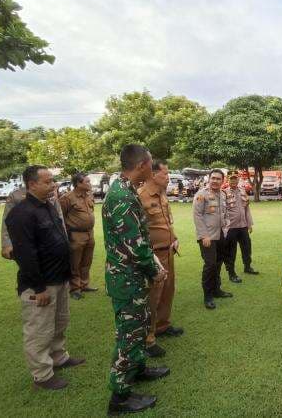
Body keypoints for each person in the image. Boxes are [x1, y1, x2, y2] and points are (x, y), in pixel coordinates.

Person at [5, 165, 85, 391]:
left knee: (59, 322)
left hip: (59, 278)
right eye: (48, 182)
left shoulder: (48, 206)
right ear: (32, 185)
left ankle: (59, 357)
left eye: (53, 181)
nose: (53, 185)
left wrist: (69, 275)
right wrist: (38, 288)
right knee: (39, 330)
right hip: (40, 284)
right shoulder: (21, 214)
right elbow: (25, 254)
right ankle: (42, 375)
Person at [103, 145, 169, 414]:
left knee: (140, 325)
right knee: (128, 335)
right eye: (150, 164)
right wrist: (155, 270)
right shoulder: (122, 196)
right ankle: (119, 397)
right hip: (126, 277)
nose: (152, 169)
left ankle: (138, 368)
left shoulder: (125, 189)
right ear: (141, 165)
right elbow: (135, 244)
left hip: (130, 275)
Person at [138, 160, 184, 359]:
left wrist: (173, 237)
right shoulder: (140, 197)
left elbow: (166, 221)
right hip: (153, 255)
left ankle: (162, 326)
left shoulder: (163, 195)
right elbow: (138, 231)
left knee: (167, 290)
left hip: (168, 251)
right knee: (153, 295)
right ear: (152, 175)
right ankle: (148, 338)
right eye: (165, 174)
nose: (168, 178)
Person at [193, 169, 232, 310]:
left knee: (218, 263)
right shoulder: (201, 195)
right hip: (207, 237)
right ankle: (208, 296)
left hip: (220, 235)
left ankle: (217, 289)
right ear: (209, 179)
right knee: (210, 265)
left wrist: (226, 228)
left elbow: (225, 213)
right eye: (213, 178)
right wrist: (204, 235)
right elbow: (197, 216)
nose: (215, 181)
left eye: (218, 179)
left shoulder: (222, 194)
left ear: (223, 181)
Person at [1, 184, 65, 260]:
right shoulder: (16, 195)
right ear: (32, 182)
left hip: (50, 240)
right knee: (30, 267)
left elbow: (59, 217)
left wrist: (64, 239)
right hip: (27, 241)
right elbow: (7, 221)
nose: (52, 184)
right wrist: (6, 244)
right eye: (47, 181)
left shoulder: (50, 194)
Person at [59, 172, 97, 300]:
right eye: (87, 181)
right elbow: (61, 217)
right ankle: (75, 288)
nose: (90, 184)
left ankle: (84, 284)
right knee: (75, 263)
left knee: (87, 261)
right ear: (78, 184)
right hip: (75, 234)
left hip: (89, 233)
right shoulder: (67, 198)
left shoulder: (89, 195)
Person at [223, 170, 259, 284]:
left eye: (235, 178)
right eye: (231, 179)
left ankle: (247, 267)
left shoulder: (243, 191)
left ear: (238, 179)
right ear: (228, 180)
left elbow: (246, 209)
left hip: (243, 226)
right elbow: (222, 211)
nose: (233, 180)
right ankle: (231, 273)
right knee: (231, 251)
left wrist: (249, 224)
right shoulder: (223, 193)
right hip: (231, 227)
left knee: (247, 248)